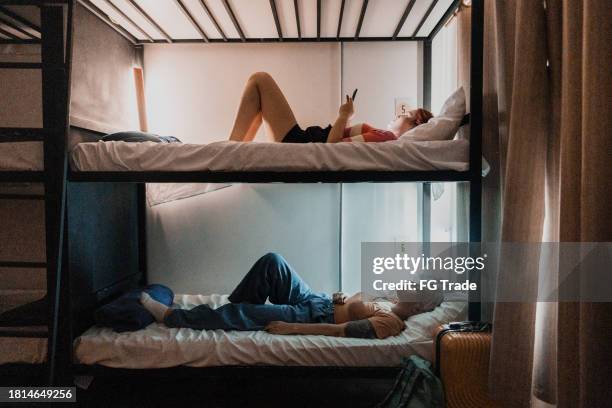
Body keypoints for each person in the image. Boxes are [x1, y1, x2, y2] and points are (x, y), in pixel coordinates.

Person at [140, 252, 443, 339]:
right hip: (318, 300)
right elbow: (354, 302)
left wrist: (293, 327)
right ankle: (236, 307)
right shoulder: (389, 298)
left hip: (311, 316)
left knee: (248, 316)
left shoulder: (391, 322)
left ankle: (172, 316)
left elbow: (341, 330)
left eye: (416, 284)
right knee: (273, 262)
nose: (409, 281)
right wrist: (342, 296)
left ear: (423, 305)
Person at [228, 72, 433, 144]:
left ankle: (230, 150)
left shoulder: (386, 137)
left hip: (300, 141)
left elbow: (333, 146)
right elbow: (341, 141)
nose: (399, 114)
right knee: (259, 88)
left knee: (260, 80)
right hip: (300, 138)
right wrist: (347, 118)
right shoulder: (384, 136)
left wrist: (343, 115)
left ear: (415, 122)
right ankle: (234, 150)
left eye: (407, 113)